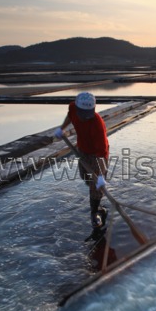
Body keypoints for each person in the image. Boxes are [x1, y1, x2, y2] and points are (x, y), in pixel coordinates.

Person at [54, 92, 109, 228]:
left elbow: (101, 154)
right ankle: (98, 205)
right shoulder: (73, 107)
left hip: (97, 155)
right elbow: (70, 116)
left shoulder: (97, 124)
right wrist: (62, 129)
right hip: (82, 150)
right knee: (85, 176)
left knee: (96, 186)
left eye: (87, 115)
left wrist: (101, 175)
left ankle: (96, 213)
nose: (84, 118)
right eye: (82, 114)